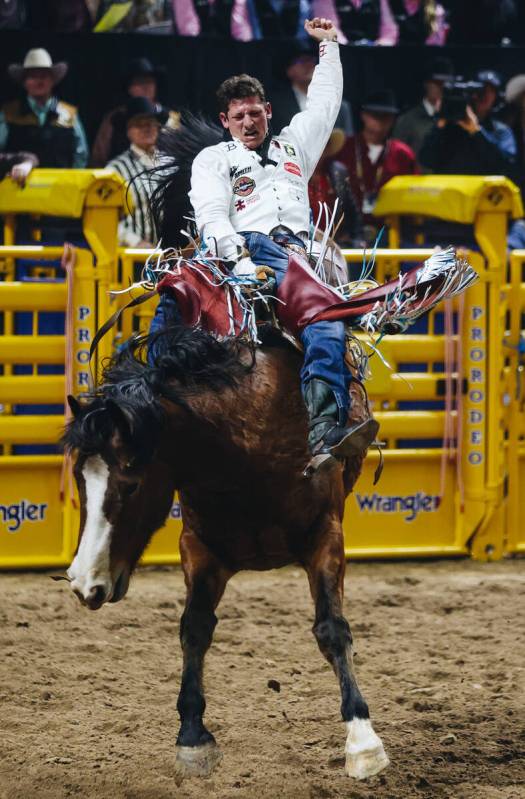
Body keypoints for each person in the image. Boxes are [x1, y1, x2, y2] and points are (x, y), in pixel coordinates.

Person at [153, 16, 378, 469]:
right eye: (239, 116)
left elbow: (325, 104)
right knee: (176, 297)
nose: (249, 121)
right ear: (226, 120)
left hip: (294, 252)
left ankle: (325, 426)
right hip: (242, 247)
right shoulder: (214, 159)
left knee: (328, 317)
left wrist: (330, 46)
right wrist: (236, 257)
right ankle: (152, 404)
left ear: (268, 111)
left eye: (255, 112)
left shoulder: (295, 146)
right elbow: (213, 214)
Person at [335, 90, 418, 242]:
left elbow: (414, 198)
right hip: (348, 235)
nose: (379, 121)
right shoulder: (344, 148)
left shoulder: (403, 154)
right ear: (363, 115)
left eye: (386, 116)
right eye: (375, 115)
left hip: (391, 234)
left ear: (393, 119)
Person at [0, 48, 88, 168]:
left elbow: (81, 155)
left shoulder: (68, 114)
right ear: (24, 82)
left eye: (44, 76)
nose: (39, 81)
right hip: (18, 184)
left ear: (53, 80)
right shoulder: (8, 113)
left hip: (60, 184)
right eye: (33, 76)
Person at [91, 57, 179, 167]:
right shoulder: (114, 117)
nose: (145, 87)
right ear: (129, 88)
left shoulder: (172, 118)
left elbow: (183, 150)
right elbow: (100, 154)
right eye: (139, 83)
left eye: (149, 81)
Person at [106, 97, 166, 248]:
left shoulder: (170, 163)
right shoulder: (115, 170)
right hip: (133, 258)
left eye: (151, 123)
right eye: (139, 124)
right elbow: (106, 222)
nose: (146, 128)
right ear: (128, 131)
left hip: (171, 255)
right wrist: (135, 242)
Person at [270, 44, 353, 135]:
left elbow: (347, 142)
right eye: (302, 61)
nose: (309, 65)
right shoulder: (276, 104)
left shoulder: (337, 104)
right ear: (289, 70)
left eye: (312, 60)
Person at [308, 128, 364, 247]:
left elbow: (352, 213)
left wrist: (357, 239)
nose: (318, 149)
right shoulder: (292, 172)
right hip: (301, 243)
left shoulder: (337, 173)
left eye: (323, 143)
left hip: (332, 245)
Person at [393, 56, 454, 161]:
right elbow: (396, 157)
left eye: (446, 83)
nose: (442, 87)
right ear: (426, 83)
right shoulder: (408, 119)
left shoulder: (456, 118)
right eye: (437, 82)